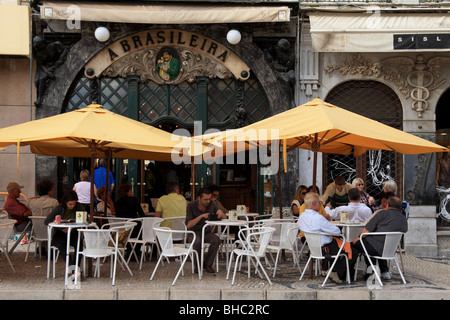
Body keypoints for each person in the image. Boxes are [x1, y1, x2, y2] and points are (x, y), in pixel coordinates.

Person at [297, 192, 357, 283]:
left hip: (313, 248)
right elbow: (337, 231)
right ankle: (335, 272)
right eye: (319, 203)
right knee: (353, 250)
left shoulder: (302, 217)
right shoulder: (318, 218)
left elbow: (300, 227)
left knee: (343, 248)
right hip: (327, 248)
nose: (320, 205)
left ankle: (339, 273)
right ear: (314, 204)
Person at [352, 196, 408, 280]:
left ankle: (366, 272)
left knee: (357, 244)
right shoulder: (403, 218)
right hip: (390, 250)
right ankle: (384, 271)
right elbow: (404, 230)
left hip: (376, 248)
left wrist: (358, 238)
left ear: (388, 205)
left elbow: (365, 231)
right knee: (373, 243)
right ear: (400, 207)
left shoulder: (382, 213)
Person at [185, 188, 226, 274]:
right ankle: (198, 265)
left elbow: (224, 217)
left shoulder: (212, 204)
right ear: (199, 198)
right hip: (193, 232)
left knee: (216, 240)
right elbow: (189, 225)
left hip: (206, 231)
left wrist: (220, 213)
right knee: (197, 241)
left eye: (209, 199)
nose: (208, 201)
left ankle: (207, 264)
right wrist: (201, 216)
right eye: (205, 199)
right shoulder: (191, 205)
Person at [44, 190, 85, 265]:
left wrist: (74, 228)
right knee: (63, 246)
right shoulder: (59, 208)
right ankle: (74, 269)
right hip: (60, 234)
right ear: (65, 202)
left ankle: (75, 268)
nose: (72, 206)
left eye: (74, 204)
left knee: (79, 246)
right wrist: (61, 228)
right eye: (70, 204)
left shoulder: (79, 207)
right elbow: (47, 221)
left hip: (74, 233)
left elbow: (85, 221)